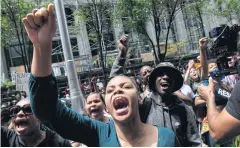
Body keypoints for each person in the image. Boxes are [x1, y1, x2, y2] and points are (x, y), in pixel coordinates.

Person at [24, 4, 175, 147]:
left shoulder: (168, 137)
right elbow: (46, 109)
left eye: (126, 86)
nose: (117, 91)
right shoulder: (98, 133)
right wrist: (42, 46)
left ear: (140, 98)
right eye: (110, 90)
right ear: (107, 107)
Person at [142, 62, 202, 147]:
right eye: (160, 74)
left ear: (175, 83)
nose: (165, 77)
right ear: (154, 81)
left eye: (170, 75)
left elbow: (195, 143)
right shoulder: (144, 106)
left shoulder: (184, 110)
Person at [1, 99, 71, 147]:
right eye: (15, 111)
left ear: (40, 116)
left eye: (28, 109)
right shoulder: (6, 138)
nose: (19, 113)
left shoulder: (60, 143)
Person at [198, 78, 240, 143]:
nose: (214, 67)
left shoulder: (225, 83)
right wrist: (209, 97)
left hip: (230, 121)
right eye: (211, 67)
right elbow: (196, 101)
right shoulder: (207, 84)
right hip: (213, 120)